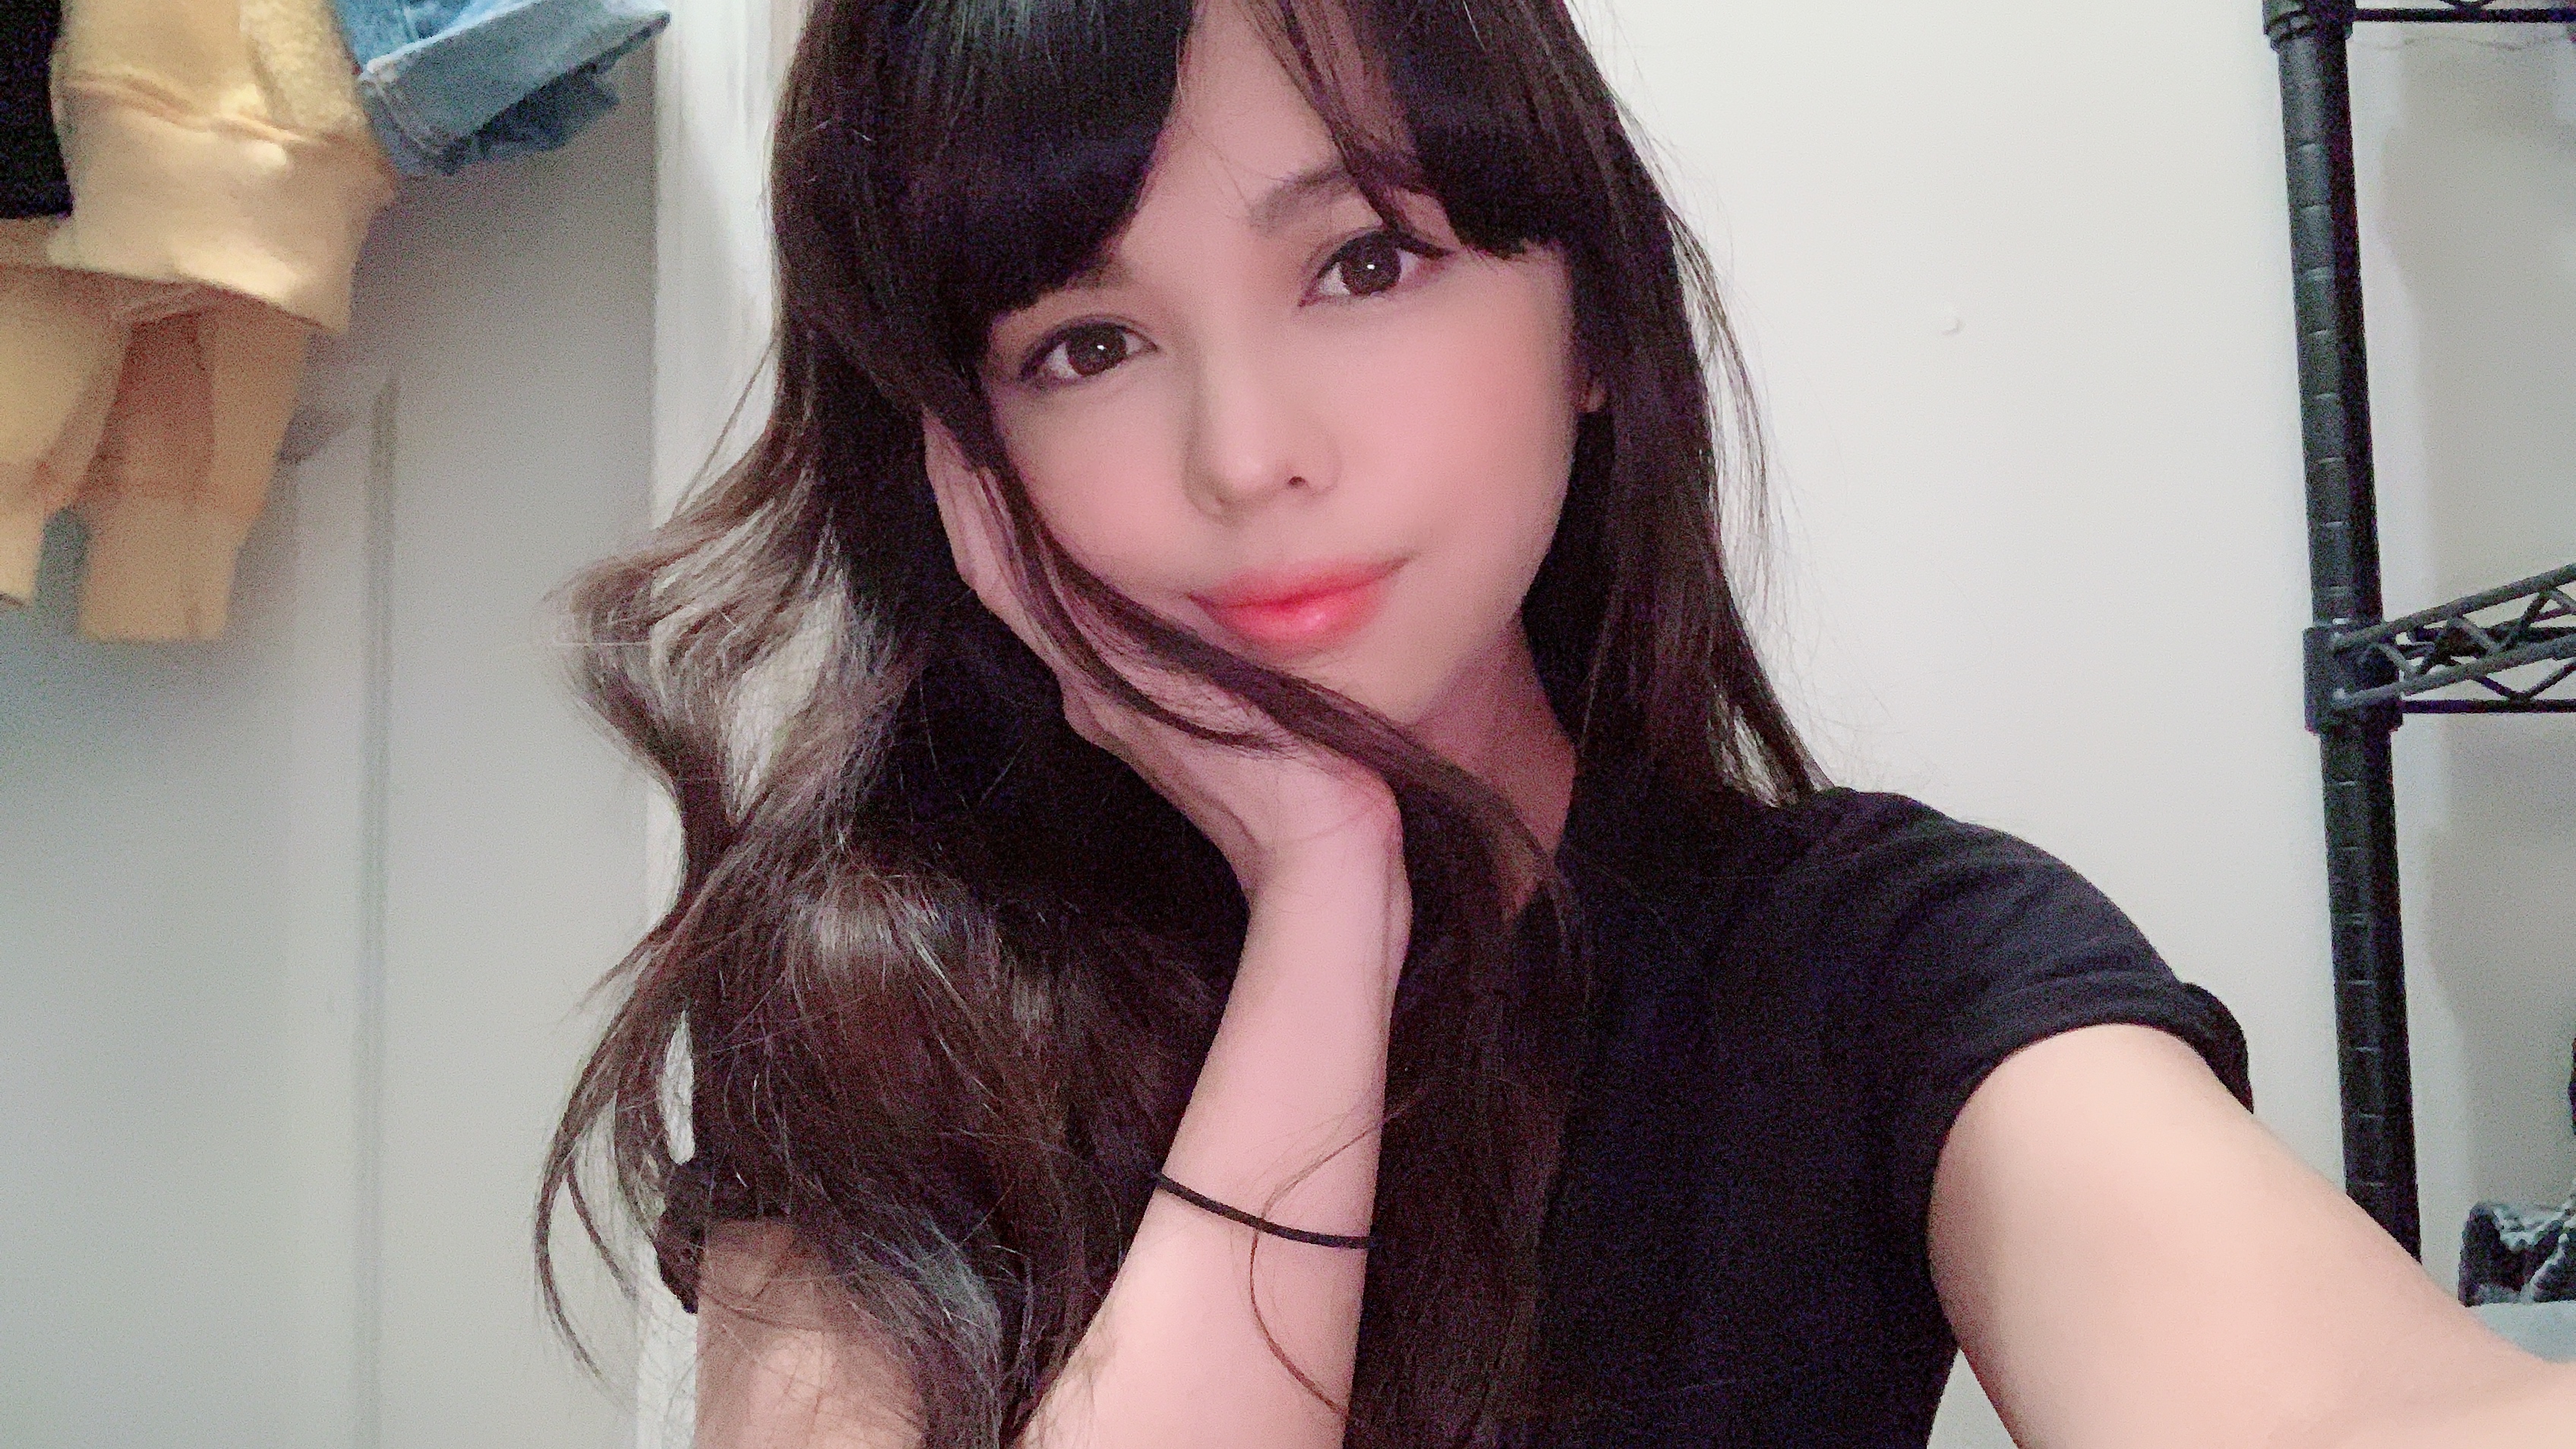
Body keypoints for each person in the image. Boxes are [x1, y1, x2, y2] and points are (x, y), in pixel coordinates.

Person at [537, 1, 2576, 1444]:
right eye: (1086, 342)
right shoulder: (878, 989)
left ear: (1587, 312)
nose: (1248, 455)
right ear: (962, 457)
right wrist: (1327, 913)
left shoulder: (1882, 967)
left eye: (1363, 262)